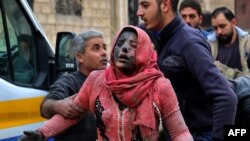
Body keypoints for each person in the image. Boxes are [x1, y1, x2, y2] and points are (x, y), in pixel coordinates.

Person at [18, 26, 194, 141]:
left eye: (133, 45)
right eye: (120, 43)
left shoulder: (159, 85)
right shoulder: (97, 80)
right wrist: (42, 133)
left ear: (144, 52)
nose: (124, 48)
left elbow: (179, 132)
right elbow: (72, 114)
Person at [137, 0, 237, 141]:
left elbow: (226, 97)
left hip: (201, 134)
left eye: (145, 5)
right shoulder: (159, 37)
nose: (139, 12)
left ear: (165, 5)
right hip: (177, 133)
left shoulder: (188, 43)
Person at [39, 29, 108, 141]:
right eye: (96, 48)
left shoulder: (111, 81)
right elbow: (44, 108)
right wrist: (57, 106)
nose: (104, 52)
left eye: (104, 47)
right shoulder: (69, 82)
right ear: (80, 57)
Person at [207, 7, 250, 79]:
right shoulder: (209, 45)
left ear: (233, 22)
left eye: (222, 26)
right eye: (215, 28)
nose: (219, 32)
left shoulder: (247, 42)